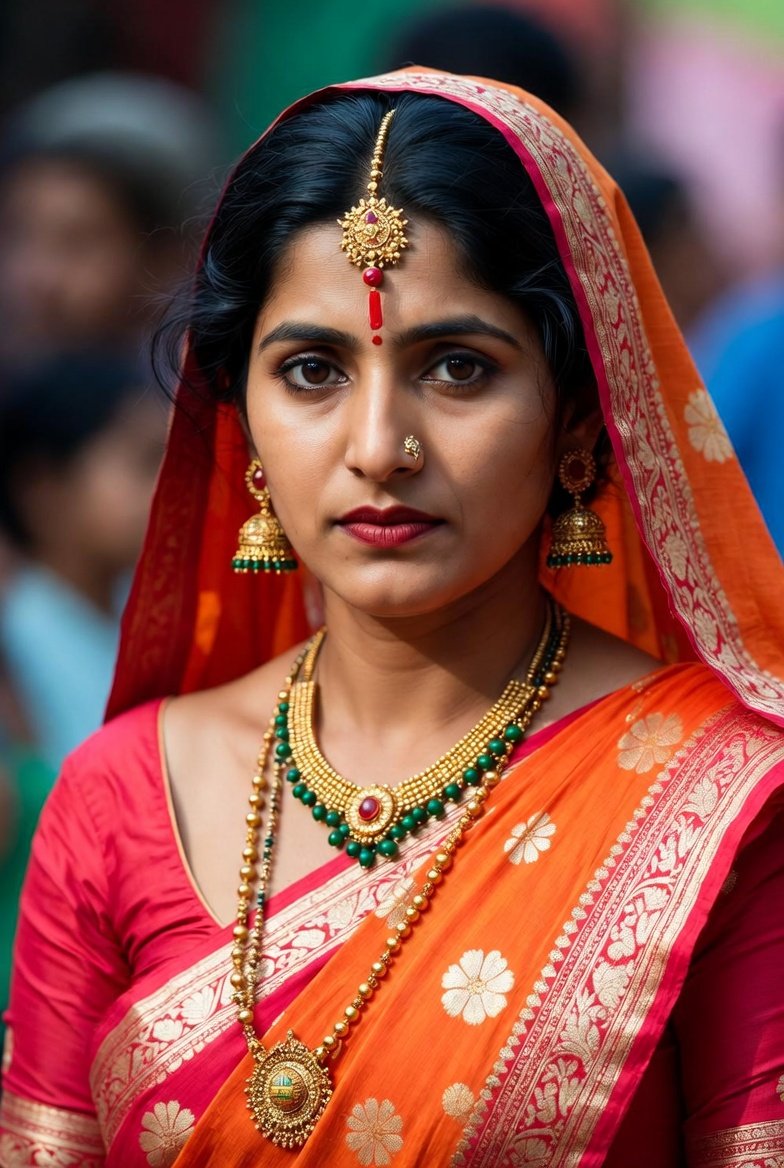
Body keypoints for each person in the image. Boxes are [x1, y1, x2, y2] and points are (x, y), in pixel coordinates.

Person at [1, 69, 782, 1168]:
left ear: (576, 418)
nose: (378, 445)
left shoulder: (723, 803)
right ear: (243, 421)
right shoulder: (120, 793)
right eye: (312, 369)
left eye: (457, 368)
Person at [0, 352, 166, 769]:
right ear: (44, 488)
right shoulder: (15, 647)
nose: (168, 487)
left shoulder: (150, 611)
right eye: (145, 463)